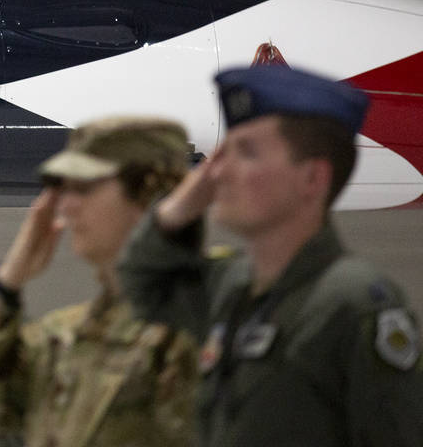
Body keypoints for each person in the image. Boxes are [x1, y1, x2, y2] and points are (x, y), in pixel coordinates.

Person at [118, 64, 423, 446]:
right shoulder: (233, 285)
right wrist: (181, 206)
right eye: (220, 155)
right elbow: (142, 286)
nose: (219, 172)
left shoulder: (354, 303)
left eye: (245, 153)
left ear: (312, 178)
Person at [0, 116, 198, 446]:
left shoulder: (201, 331)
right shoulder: (65, 337)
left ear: (148, 195)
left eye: (84, 188)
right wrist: (6, 283)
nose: (64, 206)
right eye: (62, 189)